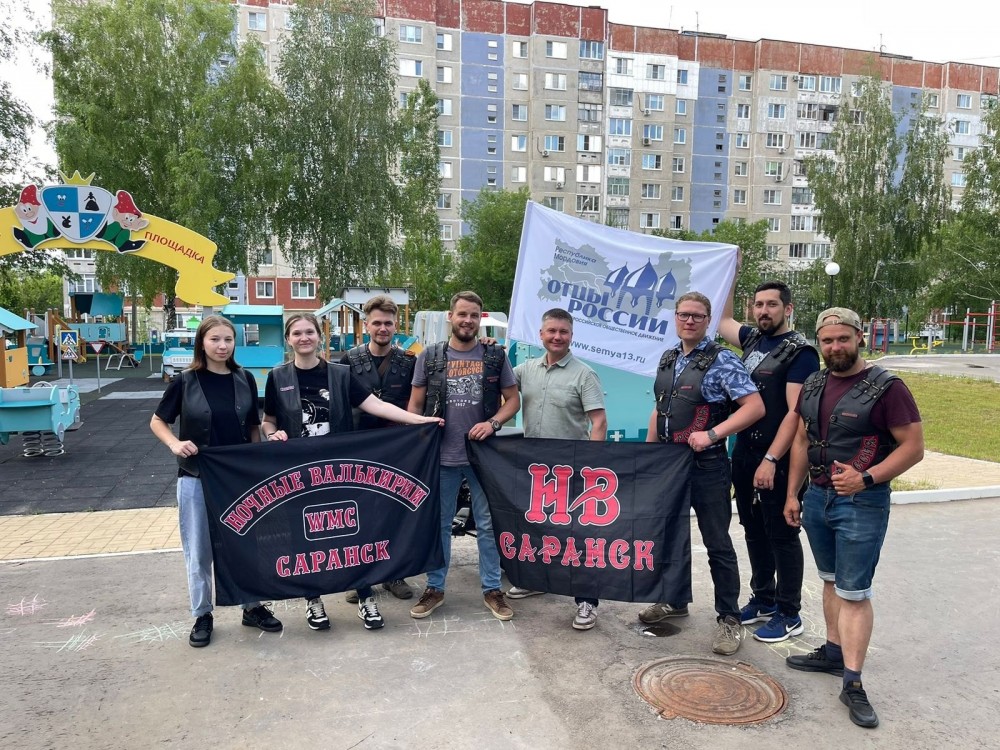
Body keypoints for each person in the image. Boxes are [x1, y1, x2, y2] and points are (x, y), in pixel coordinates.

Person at [784, 307, 924, 729]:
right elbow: (802, 440)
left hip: (862, 503)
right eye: (827, 340)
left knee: (855, 593)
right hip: (817, 498)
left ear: (860, 337)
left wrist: (867, 478)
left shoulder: (887, 388)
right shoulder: (814, 383)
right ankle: (832, 652)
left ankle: (853, 681)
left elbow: (913, 447)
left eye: (843, 339)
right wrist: (792, 494)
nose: (835, 347)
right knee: (830, 580)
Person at [261, 313, 442, 633]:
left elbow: (377, 406)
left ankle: (365, 596)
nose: (304, 338)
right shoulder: (277, 377)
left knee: (352, 533)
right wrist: (272, 433)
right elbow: (269, 420)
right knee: (305, 536)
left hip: (340, 471)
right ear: (288, 339)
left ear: (319, 336)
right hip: (300, 474)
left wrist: (420, 420)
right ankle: (313, 599)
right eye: (297, 333)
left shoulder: (341, 374)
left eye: (309, 332)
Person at [640, 291, 764, 656]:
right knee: (671, 537)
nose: (689, 320)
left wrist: (713, 434)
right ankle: (674, 600)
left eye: (697, 315)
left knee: (717, 543)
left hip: (707, 466)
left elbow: (754, 407)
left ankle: (729, 618)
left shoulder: (722, 359)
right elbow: (660, 408)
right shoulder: (669, 357)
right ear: (675, 318)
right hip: (669, 465)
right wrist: (649, 454)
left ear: (708, 321)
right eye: (684, 314)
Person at [150, 315, 283, 648]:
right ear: (202, 342)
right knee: (199, 550)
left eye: (228, 339)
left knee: (245, 544)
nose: (222, 346)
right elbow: (158, 421)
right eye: (215, 339)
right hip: (196, 476)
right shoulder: (184, 381)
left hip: (237, 478)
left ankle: (251, 606)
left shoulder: (244, 379)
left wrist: (257, 465)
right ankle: (202, 614)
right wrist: (174, 444)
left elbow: (252, 427)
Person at [407, 291, 521, 622]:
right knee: (439, 524)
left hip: (483, 458)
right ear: (450, 316)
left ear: (480, 318)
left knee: (488, 524)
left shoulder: (495, 356)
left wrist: (493, 422)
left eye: (474, 315)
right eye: (462, 314)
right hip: (441, 456)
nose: (467, 320)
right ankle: (435, 587)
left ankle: (492, 589)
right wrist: (418, 437)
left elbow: (513, 400)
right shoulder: (429, 356)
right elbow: (415, 405)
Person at [719, 280, 819, 642]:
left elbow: (795, 414)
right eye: (759, 304)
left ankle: (789, 612)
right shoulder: (752, 340)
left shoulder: (800, 353)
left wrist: (772, 459)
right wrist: (731, 272)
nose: (763, 311)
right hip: (744, 452)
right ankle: (763, 598)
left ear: (787, 309)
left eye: (772, 305)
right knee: (753, 529)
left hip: (778, 457)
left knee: (782, 534)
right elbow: (722, 321)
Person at [507, 308, 607, 630]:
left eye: (563, 332)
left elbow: (598, 422)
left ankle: (587, 601)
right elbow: (498, 376)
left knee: (579, 537)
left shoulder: (584, 375)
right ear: (541, 334)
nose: (557, 337)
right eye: (551, 331)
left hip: (572, 469)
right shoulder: (525, 371)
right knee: (537, 529)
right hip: (535, 469)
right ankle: (538, 580)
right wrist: (487, 348)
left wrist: (591, 465)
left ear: (571, 336)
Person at [339, 295, 418, 602]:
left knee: (394, 511)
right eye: (377, 323)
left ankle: (393, 573)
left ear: (396, 325)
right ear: (366, 325)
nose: (382, 328)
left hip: (397, 449)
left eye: (388, 323)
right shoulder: (347, 361)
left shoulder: (410, 362)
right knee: (358, 513)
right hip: (358, 447)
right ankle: (359, 576)